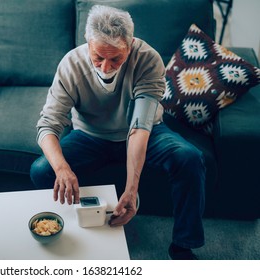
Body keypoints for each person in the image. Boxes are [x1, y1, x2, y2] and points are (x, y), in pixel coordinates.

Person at [30, 5, 205, 260]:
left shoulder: (148, 59)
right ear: (88, 43)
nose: (105, 67)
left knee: (190, 158)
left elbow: (140, 127)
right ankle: (84, 227)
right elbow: (48, 124)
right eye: (98, 56)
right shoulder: (71, 64)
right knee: (41, 170)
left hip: (147, 132)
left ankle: (183, 244)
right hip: (90, 135)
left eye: (116, 59)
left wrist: (132, 189)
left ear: (130, 45)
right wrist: (62, 169)